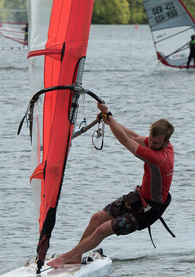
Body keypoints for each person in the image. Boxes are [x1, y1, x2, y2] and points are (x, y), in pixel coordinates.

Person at [47, 104, 174, 268]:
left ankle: (64, 258)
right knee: (96, 219)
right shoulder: (156, 143)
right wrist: (109, 119)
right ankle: (75, 257)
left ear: (166, 142)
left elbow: (126, 141)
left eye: (156, 143)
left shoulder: (160, 158)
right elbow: (134, 136)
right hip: (138, 197)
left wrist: (108, 116)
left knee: (102, 230)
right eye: (151, 139)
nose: (152, 144)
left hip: (148, 211)